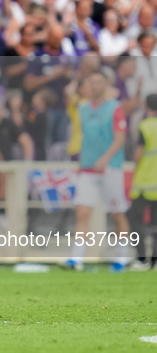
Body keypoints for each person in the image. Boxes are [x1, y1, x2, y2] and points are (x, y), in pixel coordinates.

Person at [65, 70, 130, 272]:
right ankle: (76, 259)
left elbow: (120, 137)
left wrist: (105, 158)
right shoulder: (83, 108)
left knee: (117, 213)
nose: (95, 86)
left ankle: (123, 257)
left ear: (106, 84)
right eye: (91, 83)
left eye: (98, 82)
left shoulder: (115, 108)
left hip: (110, 168)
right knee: (82, 212)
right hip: (87, 168)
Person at [127, 94, 157, 271]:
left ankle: (141, 258)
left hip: (144, 183)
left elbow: (138, 154)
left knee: (136, 221)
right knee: (155, 224)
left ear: (146, 106)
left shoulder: (145, 126)